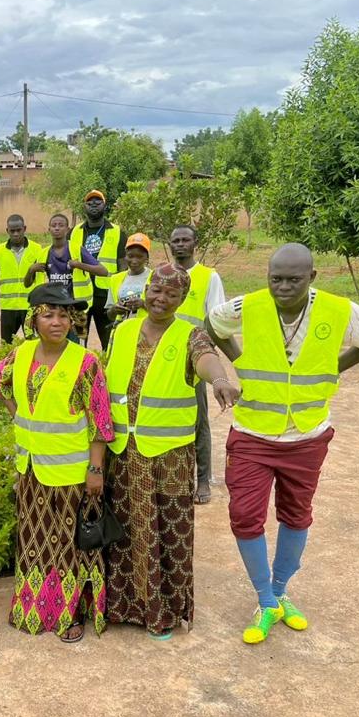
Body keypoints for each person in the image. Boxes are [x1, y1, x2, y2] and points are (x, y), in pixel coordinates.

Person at [206, 243, 359, 645]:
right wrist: (237, 360)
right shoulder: (248, 307)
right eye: (276, 279)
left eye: (294, 279)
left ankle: (281, 588)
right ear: (267, 277)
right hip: (253, 433)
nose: (284, 287)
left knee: (296, 514)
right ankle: (265, 598)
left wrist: (338, 363)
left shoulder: (337, 309)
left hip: (307, 435)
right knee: (244, 515)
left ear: (312, 278)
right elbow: (212, 324)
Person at [103, 264, 240, 639]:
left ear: (182, 299)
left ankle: (161, 611)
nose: (160, 300)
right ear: (145, 289)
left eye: (171, 295)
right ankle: (122, 605)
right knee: (125, 528)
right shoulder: (122, 331)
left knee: (166, 530)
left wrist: (221, 380)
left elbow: (206, 358)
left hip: (168, 459)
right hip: (123, 452)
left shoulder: (189, 334)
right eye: (155, 291)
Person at [0, 283, 114, 642]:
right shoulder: (21, 355)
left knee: (67, 544)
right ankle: (32, 607)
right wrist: (19, 416)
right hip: (31, 468)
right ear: (34, 320)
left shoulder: (85, 362)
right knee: (32, 541)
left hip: (70, 473)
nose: (57, 322)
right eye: (48, 314)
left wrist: (95, 469)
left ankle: (70, 613)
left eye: (64, 315)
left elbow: (100, 421)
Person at [168, 225, 227, 505]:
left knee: (198, 420)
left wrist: (206, 354)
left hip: (193, 360)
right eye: (175, 241)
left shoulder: (208, 277)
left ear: (195, 243)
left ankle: (203, 479)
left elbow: (216, 321)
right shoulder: (165, 274)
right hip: (163, 359)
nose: (180, 245)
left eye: (185, 240)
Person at [24, 214, 108, 343]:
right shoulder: (43, 254)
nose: (57, 228)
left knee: (78, 346)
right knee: (54, 343)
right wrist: (31, 270)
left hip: (76, 309)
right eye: (54, 225)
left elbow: (103, 271)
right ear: (49, 229)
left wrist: (79, 265)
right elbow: (27, 284)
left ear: (67, 229)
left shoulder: (77, 250)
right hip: (53, 309)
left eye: (61, 225)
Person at [70, 190, 124, 351]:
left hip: (106, 296)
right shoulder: (74, 232)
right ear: (84, 207)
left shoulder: (117, 232)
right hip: (81, 296)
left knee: (108, 342)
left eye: (98, 201)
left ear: (104, 205)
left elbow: (123, 266)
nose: (93, 204)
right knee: (78, 342)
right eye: (89, 202)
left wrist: (119, 292)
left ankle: (107, 373)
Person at [0, 214, 44, 343]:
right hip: (8, 308)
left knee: (33, 343)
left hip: (30, 307)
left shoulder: (37, 249)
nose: (15, 234)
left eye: (19, 230)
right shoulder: (0, 250)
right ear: (7, 231)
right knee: (6, 345)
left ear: (24, 228)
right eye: (12, 231)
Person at [104, 232, 152, 337]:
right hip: (122, 332)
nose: (134, 261)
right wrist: (115, 309)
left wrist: (143, 304)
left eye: (139, 257)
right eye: (130, 256)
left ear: (147, 258)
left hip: (146, 333)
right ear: (125, 256)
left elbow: (163, 310)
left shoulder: (154, 277)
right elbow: (110, 315)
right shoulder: (116, 279)